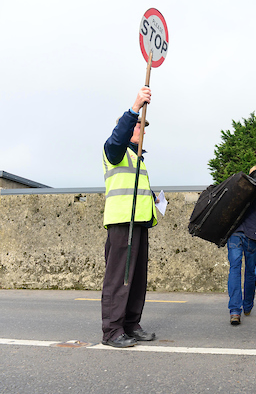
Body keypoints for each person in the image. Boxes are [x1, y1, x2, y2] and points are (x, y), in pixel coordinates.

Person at [100, 87, 158, 348]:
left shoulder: (138, 158)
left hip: (139, 223)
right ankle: (112, 331)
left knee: (135, 279)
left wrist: (153, 198)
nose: (143, 130)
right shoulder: (115, 150)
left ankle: (131, 325)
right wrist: (135, 105)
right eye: (139, 126)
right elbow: (117, 139)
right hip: (122, 223)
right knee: (118, 279)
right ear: (128, 129)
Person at [227, 166, 256, 325]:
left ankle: (235, 311)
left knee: (234, 269)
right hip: (253, 236)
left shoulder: (241, 187)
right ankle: (247, 306)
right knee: (250, 272)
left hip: (235, 233)